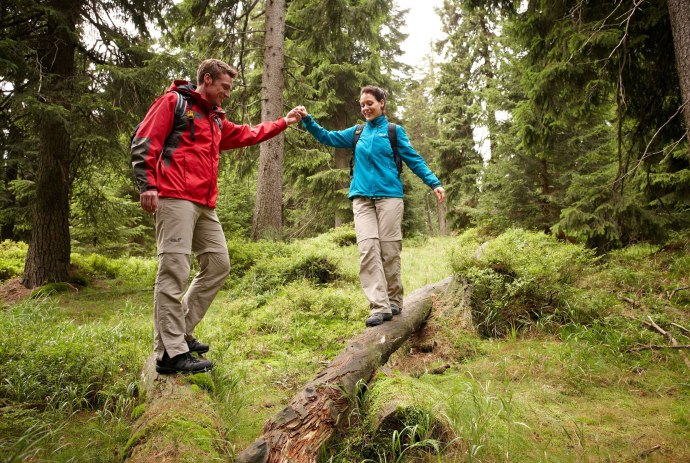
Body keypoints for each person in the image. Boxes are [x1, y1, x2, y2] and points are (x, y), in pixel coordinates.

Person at [131, 59, 303, 374]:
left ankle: (180, 333)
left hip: (204, 203)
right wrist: (147, 185)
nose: (227, 94)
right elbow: (145, 140)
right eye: (224, 87)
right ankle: (170, 354)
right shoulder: (175, 102)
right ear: (207, 80)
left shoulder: (216, 120)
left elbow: (250, 133)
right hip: (174, 197)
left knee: (219, 264)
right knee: (174, 271)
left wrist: (284, 121)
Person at [295, 85, 445, 327]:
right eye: (362, 104)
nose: (365, 108)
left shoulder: (394, 132)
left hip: (390, 197)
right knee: (368, 250)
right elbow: (327, 137)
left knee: (389, 251)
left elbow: (414, 160)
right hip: (362, 198)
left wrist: (434, 183)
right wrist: (308, 120)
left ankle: (394, 301)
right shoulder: (357, 133)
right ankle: (379, 306)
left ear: (382, 103)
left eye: (370, 103)